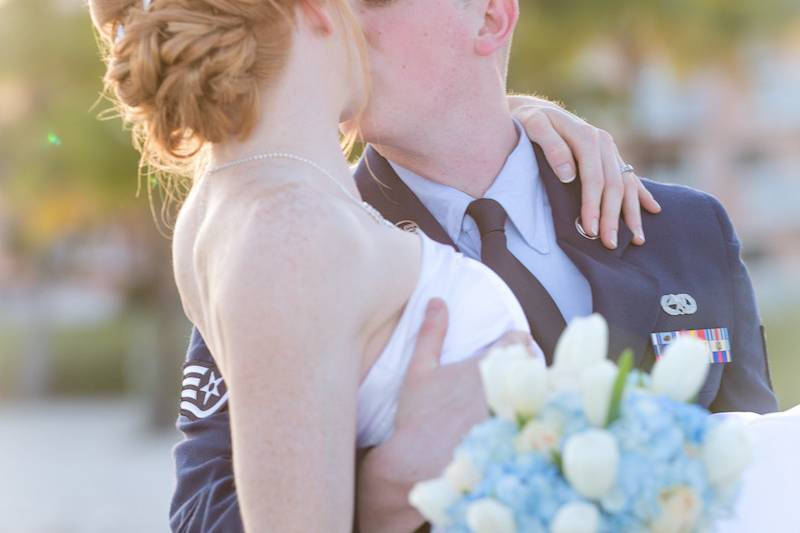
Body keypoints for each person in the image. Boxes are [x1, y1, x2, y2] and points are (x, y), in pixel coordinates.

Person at [87, 0, 778, 532]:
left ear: (489, 14)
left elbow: (762, 470)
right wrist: (386, 488)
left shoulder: (684, 230)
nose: (348, 18)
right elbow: (202, 515)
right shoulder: (294, 240)